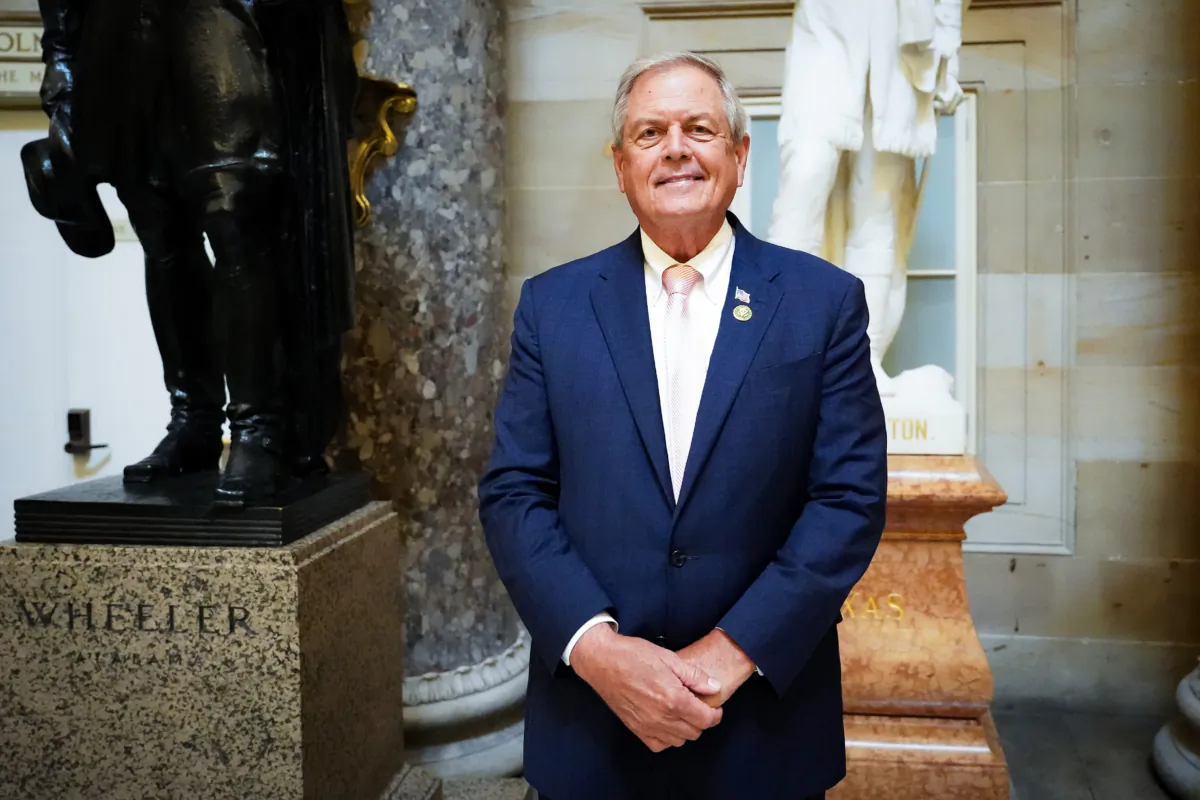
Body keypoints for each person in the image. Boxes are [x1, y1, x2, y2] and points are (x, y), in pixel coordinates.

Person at [478, 52, 888, 799]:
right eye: (649, 132)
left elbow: (848, 501)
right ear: (619, 163)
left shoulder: (822, 303)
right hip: (591, 726)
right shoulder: (554, 307)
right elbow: (514, 494)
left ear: (739, 153)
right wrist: (598, 652)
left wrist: (720, 661)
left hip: (762, 727)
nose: (675, 149)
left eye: (700, 128)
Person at [24, 0, 359, 502]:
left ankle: (258, 429)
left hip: (225, 17)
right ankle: (192, 420)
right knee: (159, 228)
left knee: (235, 211)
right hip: (123, 32)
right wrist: (62, 57)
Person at [767, 0, 964, 396]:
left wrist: (947, 49)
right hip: (829, 22)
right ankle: (777, 349)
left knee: (878, 206)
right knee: (806, 174)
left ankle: (863, 360)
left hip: (902, 41)